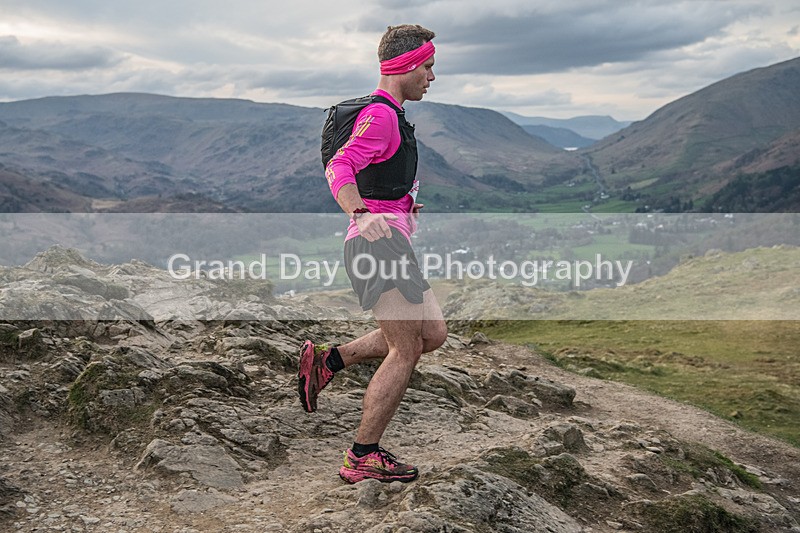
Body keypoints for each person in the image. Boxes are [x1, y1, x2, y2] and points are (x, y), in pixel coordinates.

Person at [298, 24, 448, 484]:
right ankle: (362, 455)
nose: (431, 77)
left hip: (391, 240)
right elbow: (340, 165)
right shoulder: (381, 115)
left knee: (432, 333)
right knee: (405, 348)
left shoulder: (394, 116)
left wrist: (401, 204)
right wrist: (361, 214)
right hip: (375, 244)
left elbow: (378, 175)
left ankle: (330, 360)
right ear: (406, 65)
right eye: (427, 67)